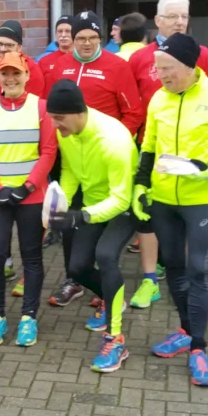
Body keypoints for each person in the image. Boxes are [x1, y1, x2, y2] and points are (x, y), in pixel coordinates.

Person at [134, 33, 208, 387]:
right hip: (165, 199)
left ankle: (199, 348)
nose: (161, 76)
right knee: (175, 268)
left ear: (188, 65)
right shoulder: (158, 98)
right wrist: (141, 185)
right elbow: (149, 146)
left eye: (167, 69)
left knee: (199, 270)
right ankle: (186, 330)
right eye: (158, 69)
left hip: (201, 198)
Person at [43, 11, 145, 307]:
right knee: (68, 220)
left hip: (109, 156)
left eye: (92, 38)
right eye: (79, 38)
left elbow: (134, 112)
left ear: (101, 38)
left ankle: (110, 291)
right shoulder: (59, 65)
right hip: (72, 155)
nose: (86, 44)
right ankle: (74, 279)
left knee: (101, 234)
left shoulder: (116, 65)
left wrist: (113, 144)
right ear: (69, 39)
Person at [45, 81, 138, 373]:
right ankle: (113, 298)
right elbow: (70, 170)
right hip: (92, 205)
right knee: (77, 268)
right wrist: (62, 206)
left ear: (78, 112)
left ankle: (116, 339)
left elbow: (121, 199)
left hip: (123, 207)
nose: (54, 124)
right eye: (52, 117)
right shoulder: (68, 132)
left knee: (106, 256)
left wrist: (80, 216)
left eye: (58, 118)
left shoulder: (115, 140)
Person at [0, 52, 58, 346]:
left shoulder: (41, 107)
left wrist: (28, 186)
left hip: (30, 197)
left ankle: (28, 317)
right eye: (4, 73)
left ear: (26, 75)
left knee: (31, 257)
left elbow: (48, 151)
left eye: (16, 73)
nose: (10, 79)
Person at [128, 0, 208, 112]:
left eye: (184, 16)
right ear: (158, 21)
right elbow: (131, 105)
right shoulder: (138, 58)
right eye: (172, 16)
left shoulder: (203, 54)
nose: (180, 22)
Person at [0, 20, 46, 97]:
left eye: (9, 45)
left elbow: (33, 102)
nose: (2, 49)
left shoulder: (31, 68)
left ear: (19, 48)